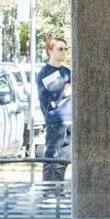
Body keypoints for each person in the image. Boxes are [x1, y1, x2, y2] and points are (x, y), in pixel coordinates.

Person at [35, 35, 72, 180]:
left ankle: (59, 188)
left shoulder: (67, 71)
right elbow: (60, 94)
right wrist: (67, 89)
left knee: (65, 157)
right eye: (60, 49)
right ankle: (49, 190)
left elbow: (71, 90)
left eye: (65, 49)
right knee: (52, 156)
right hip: (55, 121)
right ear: (50, 51)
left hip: (69, 119)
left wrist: (68, 89)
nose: (64, 52)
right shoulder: (45, 73)